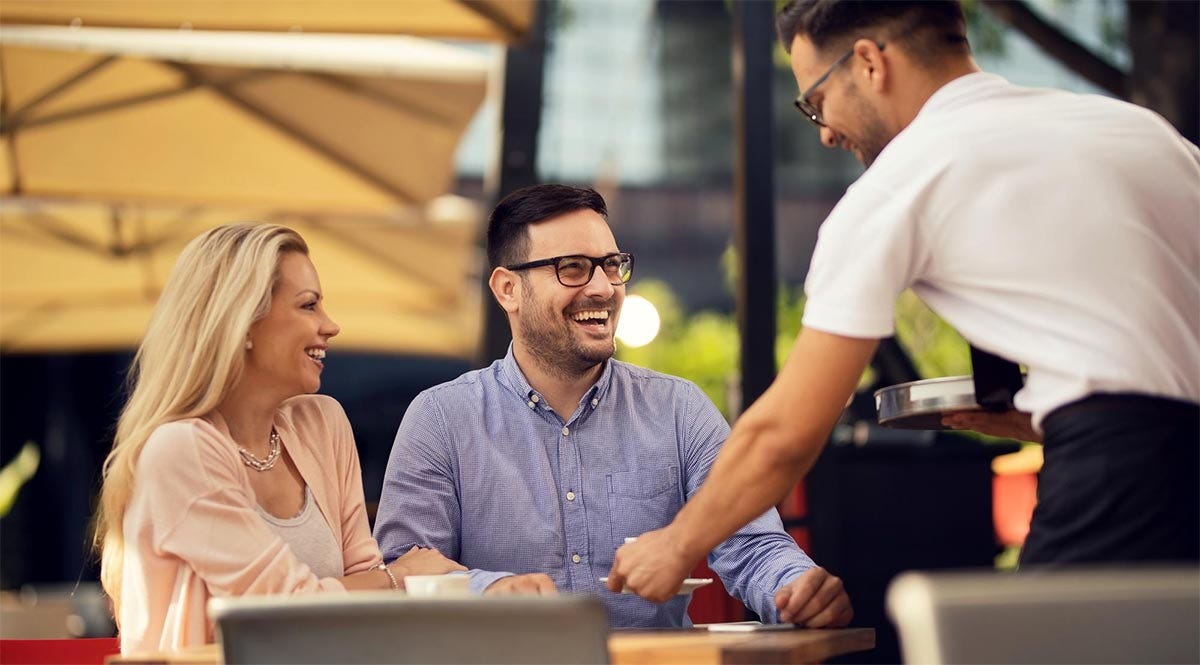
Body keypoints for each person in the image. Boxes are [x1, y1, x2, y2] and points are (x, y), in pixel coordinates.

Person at [607, 0, 1199, 601]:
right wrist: (1050, 414)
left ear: (868, 62)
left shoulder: (899, 184)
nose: (827, 131)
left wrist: (678, 542)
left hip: (1114, 492)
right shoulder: (1140, 131)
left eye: (815, 102)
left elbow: (785, 431)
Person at [373, 184, 852, 629]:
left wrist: (795, 587)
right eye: (573, 268)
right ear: (507, 289)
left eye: (611, 264)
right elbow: (401, 574)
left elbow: (753, 546)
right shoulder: (440, 419)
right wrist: (491, 588)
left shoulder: (678, 408)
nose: (603, 288)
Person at [94, 223, 464, 653]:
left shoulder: (321, 424)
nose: (331, 326)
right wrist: (400, 576)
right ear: (243, 322)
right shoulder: (179, 450)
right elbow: (283, 609)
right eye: (308, 306)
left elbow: (365, 582)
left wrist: (382, 584)